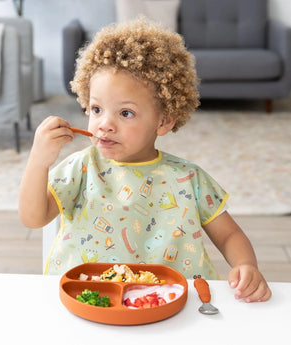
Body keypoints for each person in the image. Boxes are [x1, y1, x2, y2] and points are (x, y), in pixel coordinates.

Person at [19, 19, 271, 303]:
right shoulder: (81, 167)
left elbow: (229, 235)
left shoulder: (189, 179)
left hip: (175, 303)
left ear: (163, 121)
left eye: (125, 113)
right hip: (86, 299)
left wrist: (246, 265)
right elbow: (33, 218)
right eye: (97, 109)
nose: (104, 124)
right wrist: (39, 161)